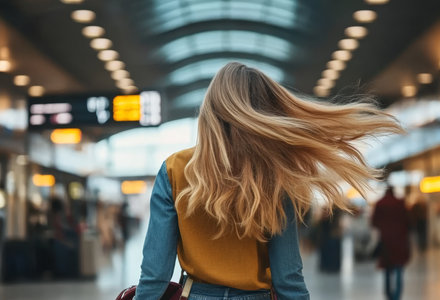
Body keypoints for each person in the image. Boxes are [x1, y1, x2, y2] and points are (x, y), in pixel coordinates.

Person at [135, 62, 403, 300]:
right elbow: (288, 277)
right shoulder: (273, 175)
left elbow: (156, 273)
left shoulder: (174, 169)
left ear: (210, 111)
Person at [372, 186, 410, 300]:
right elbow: (408, 221)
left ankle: (388, 295)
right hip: (400, 240)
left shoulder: (380, 203)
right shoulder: (400, 203)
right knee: (399, 268)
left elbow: (374, 222)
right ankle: (397, 296)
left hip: (386, 241)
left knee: (387, 269)